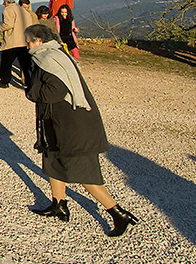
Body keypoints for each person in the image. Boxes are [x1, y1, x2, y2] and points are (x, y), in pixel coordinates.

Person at [24, 24, 139, 237]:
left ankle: (118, 214)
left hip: (76, 127)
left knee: (86, 174)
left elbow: (54, 92)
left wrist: (31, 91)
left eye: (28, 41)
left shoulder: (49, 59)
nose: (27, 45)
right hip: (60, 123)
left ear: (38, 41)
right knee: (53, 160)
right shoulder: (50, 55)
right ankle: (59, 205)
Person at [0, 0, 31, 89]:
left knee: (6, 62)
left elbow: (8, 24)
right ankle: (29, 82)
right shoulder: (23, 11)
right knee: (25, 64)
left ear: (6, 2)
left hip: (13, 41)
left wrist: (0, 27)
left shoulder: (8, 10)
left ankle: (4, 81)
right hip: (24, 40)